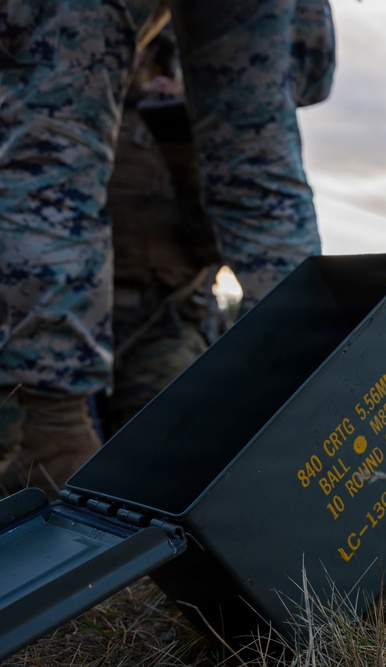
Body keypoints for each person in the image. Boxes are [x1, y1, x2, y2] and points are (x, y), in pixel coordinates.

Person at [0, 1, 336, 499]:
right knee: (262, 180)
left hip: (158, 321)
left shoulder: (171, 127)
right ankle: (315, 431)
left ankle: (307, 424)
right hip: (67, 325)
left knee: (55, 150)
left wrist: (182, 150)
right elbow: (298, 80)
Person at [99, 31, 226, 437]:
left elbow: (217, 243)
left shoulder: (204, 128)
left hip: (162, 322)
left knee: (168, 439)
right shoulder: (79, 115)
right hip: (69, 311)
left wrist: (183, 147)